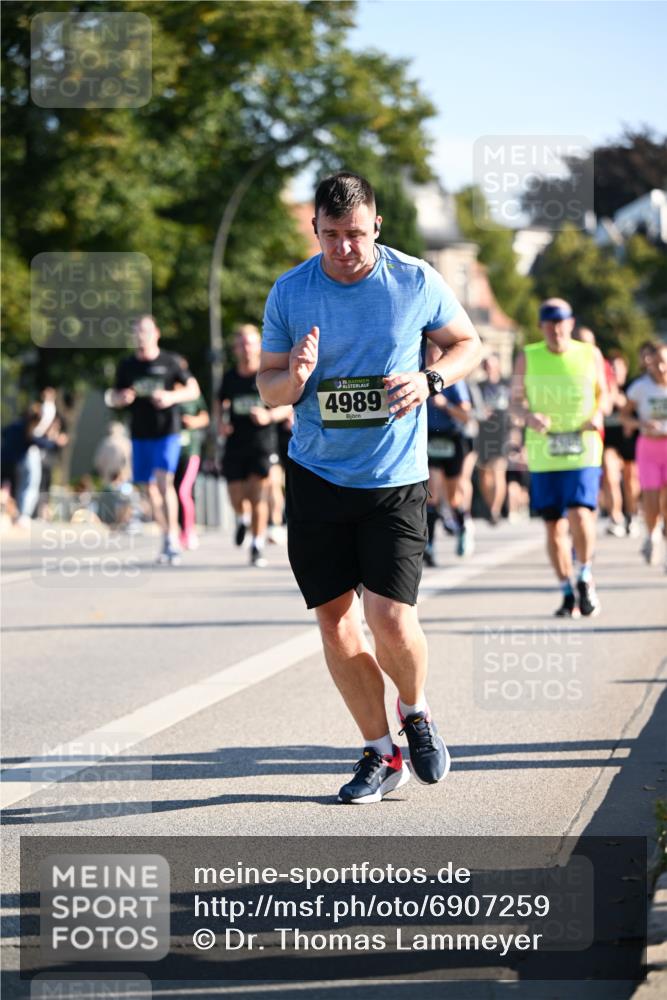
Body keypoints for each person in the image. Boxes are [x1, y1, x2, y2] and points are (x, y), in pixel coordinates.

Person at [258, 171, 481, 804]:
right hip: (317, 473)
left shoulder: (413, 280)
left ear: (375, 227)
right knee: (335, 624)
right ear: (316, 230)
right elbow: (268, 387)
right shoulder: (290, 292)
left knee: (389, 617)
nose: (343, 249)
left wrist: (431, 381)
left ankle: (416, 710)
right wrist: (295, 376)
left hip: (393, 479)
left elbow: (468, 343)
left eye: (355, 235)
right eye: (331, 236)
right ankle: (380, 754)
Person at [511, 298, 608, 618]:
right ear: (541, 326)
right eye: (549, 322)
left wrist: (598, 414)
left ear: (571, 322)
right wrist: (529, 416)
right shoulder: (528, 356)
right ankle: (567, 590)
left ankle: (584, 574)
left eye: (561, 321)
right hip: (545, 452)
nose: (556, 328)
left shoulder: (589, 353)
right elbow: (515, 402)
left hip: (583, 447)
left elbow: (605, 395)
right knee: (553, 529)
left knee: (581, 515)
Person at [108, 315, 201, 565]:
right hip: (140, 433)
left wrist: (170, 397)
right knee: (149, 489)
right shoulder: (127, 366)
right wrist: (122, 398)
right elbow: (114, 397)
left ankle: (173, 539)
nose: (141, 337)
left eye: (145, 332)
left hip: (167, 432)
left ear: (156, 334)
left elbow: (194, 389)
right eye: (136, 332)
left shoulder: (170, 362)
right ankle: (167, 535)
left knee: (163, 482)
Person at [217, 324, 292, 567]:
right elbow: (220, 403)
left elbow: (289, 404)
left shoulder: (268, 373)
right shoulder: (229, 377)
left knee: (259, 495)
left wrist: (269, 416)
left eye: (250, 343)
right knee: (236, 495)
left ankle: (257, 545)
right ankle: (242, 517)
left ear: (259, 345)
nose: (246, 348)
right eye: (241, 344)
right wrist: (220, 424)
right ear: (235, 349)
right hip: (235, 443)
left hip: (262, 443)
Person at [424, 343, 474, 564]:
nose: (430, 357)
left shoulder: (453, 379)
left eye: (434, 352)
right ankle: (430, 545)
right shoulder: (417, 376)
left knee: (454, 497)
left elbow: (466, 414)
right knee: (432, 493)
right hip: (430, 439)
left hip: (452, 438)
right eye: (426, 352)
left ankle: (463, 526)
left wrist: (445, 405)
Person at [622, 342, 667, 568]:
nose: (659, 367)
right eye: (655, 362)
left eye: (663, 362)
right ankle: (652, 535)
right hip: (649, 447)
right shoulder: (641, 387)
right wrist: (640, 423)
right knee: (650, 499)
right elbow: (624, 416)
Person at [602, 350, 640, 537]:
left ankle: (631, 515)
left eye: (619, 369)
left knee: (630, 479)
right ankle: (615, 517)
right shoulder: (602, 387)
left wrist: (621, 399)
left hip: (629, 440)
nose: (616, 373)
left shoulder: (633, 387)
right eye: (612, 369)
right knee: (609, 475)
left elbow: (635, 410)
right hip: (609, 440)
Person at [174, 360, 209, 551]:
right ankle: (174, 533)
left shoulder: (192, 394)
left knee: (183, 491)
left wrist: (192, 421)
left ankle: (188, 531)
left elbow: (205, 417)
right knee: (171, 492)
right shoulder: (165, 392)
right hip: (170, 453)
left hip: (190, 452)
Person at [476, 353, 512, 525]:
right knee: (484, 475)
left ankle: (494, 510)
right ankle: (490, 504)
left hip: (502, 434)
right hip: (483, 435)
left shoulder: (507, 384)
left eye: (492, 365)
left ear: (498, 366)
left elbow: (516, 407)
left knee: (498, 472)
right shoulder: (479, 387)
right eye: (486, 365)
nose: (489, 368)